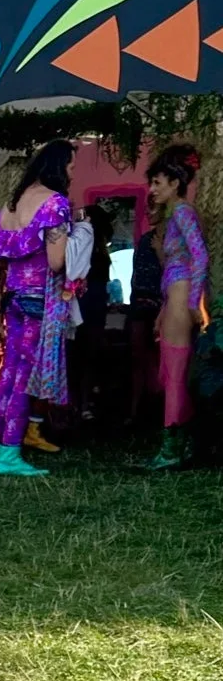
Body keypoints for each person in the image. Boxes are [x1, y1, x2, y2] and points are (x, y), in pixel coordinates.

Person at [0, 140, 73, 477]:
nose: (73, 173)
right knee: (23, 381)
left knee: (7, 377)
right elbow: (56, 261)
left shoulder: (12, 204)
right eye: (72, 166)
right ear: (58, 167)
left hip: (15, 298)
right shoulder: (56, 204)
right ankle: (10, 454)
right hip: (39, 301)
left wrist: (17, 260)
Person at [142, 143, 209, 470]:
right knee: (172, 369)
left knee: (176, 370)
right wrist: (162, 310)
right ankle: (179, 444)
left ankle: (173, 448)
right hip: (175, 294)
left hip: (182, 294)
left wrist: (196, 300)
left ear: (174, 183)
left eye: (157, 183)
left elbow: (200, 256)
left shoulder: (182, 211)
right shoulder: (174, 215)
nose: (152, 189)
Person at [127, 222, 163, 429]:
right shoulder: (144, 240)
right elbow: (137, 276)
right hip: (141, 302)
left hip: (162, 302)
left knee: (159, 360)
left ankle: (157, 412)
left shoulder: (170, 239)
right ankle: (136, 412)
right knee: (138, 358)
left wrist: (160, 252)